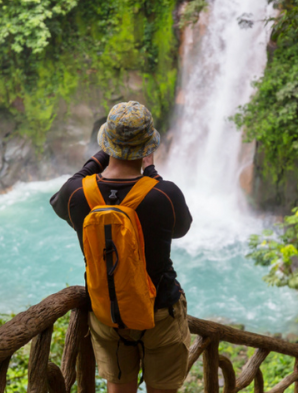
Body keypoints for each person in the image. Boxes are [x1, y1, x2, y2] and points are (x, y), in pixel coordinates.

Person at [50, 101, 193, 393]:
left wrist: (101, 156)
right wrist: (151, 171)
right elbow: (181, 229)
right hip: (160, 311)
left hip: (107, 312)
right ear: (147, 148)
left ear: (106, 145)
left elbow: (63, 194)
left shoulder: (78, 193)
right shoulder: (164, 194)